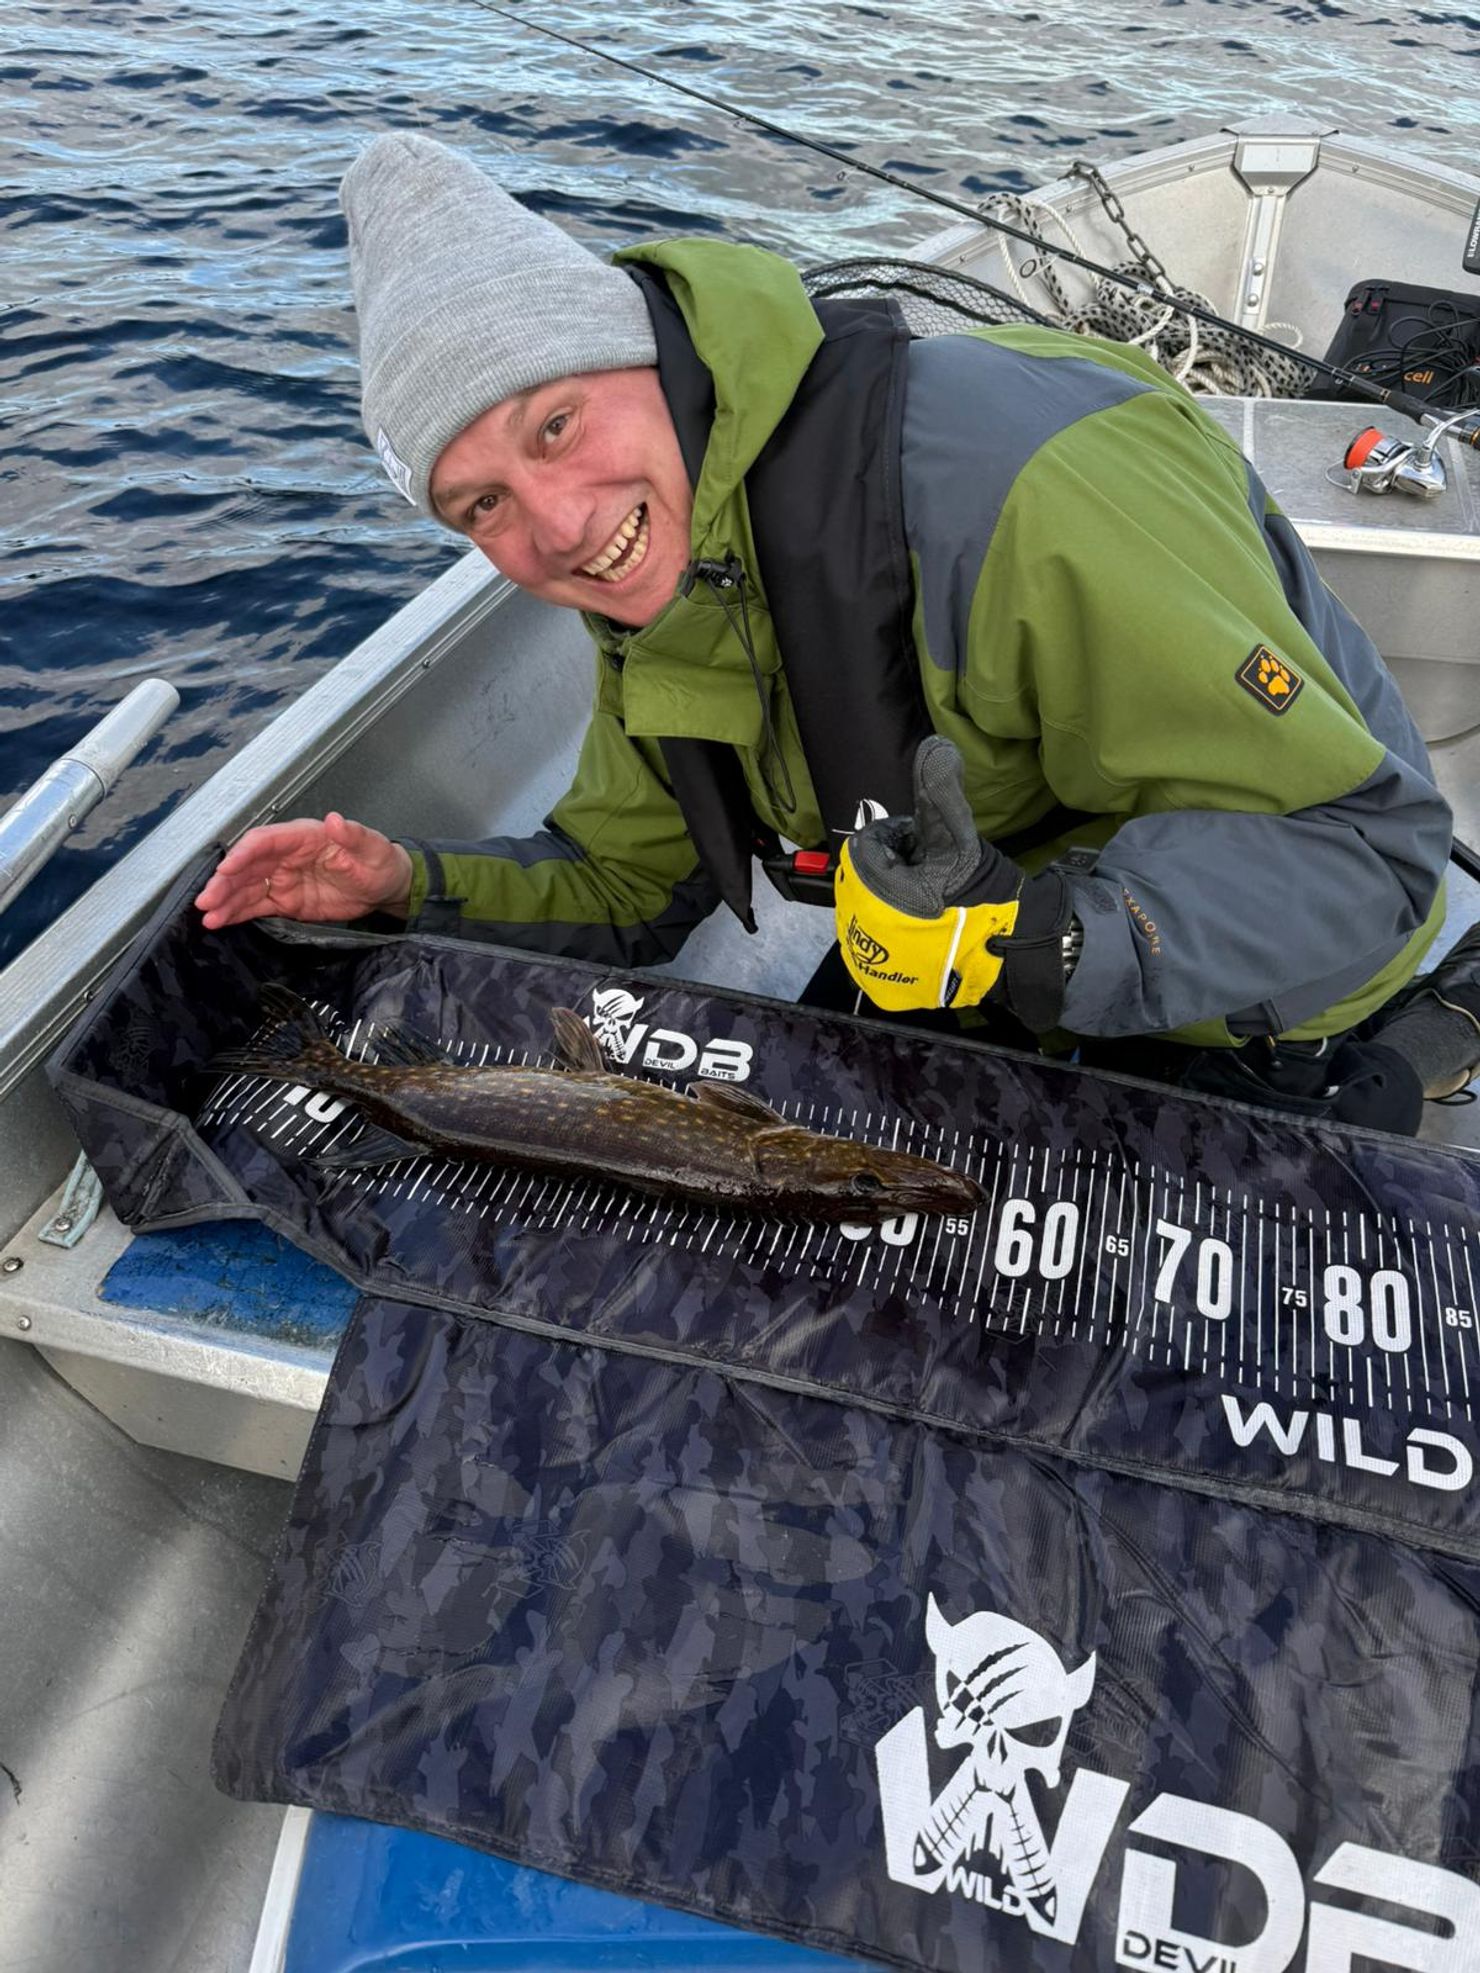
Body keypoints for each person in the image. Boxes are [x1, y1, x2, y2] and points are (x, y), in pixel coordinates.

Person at [194, 132, 1480, 1135]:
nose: (561, 525)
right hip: (968, 957)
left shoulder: (1030, 493)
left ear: (645, 355)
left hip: (1245, 987)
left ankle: (1427, 1034)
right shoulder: (661, 578)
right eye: (481, 504)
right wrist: (405, 883)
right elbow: (631, 883)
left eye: (555, 426)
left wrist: (1033, 938)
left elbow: (1365, 852)